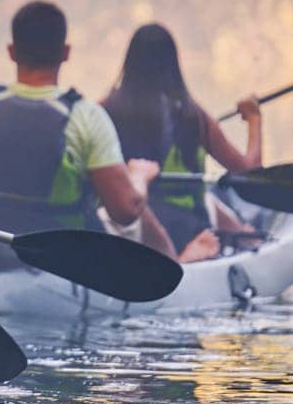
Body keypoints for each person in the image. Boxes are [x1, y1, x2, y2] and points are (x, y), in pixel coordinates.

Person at [0, 0, 171, 268]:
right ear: (66, 52)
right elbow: (126, 213)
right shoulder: (86, 117)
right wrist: (139, 176)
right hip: (61, 266)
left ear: (12, 52)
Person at [101, 23, 263, 263]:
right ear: (173, 65)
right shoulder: (192, 116)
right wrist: (254, 120)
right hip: (186, 231)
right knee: (213, 203)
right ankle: (238, 238)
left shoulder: (104, 111)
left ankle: (239, 233)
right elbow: (249, 174)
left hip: (125, 227)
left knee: (213, 202)